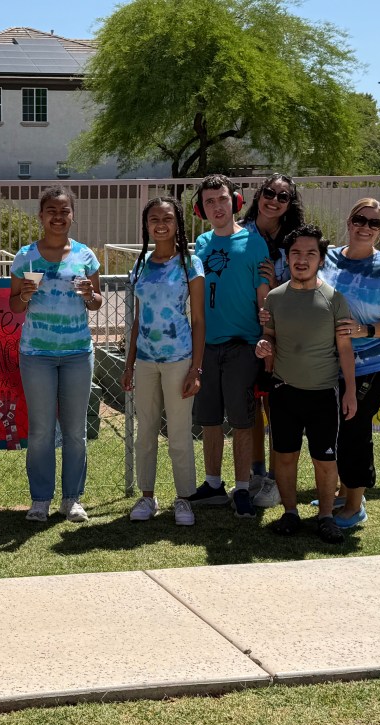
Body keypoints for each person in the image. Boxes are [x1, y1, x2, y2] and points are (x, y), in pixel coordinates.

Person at [255, 225, 356, 543]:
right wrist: (263, 346)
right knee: (285, 456)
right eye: (296, 253)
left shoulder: (335, 300)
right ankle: (290, 513)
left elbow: (344, 349)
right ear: (288, 256)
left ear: (321, 260)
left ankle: (325, 517)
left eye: (310, 253)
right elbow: (268, 338)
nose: (302, 259)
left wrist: (350, 391)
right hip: (284, 392)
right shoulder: (274, 298)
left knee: (325, 459)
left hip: (324, 394)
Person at [319, 198, 380, 529]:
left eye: (374, 223)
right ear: (349, 221)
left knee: (355, 430)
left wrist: (365, 329)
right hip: (332, 363)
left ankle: (355, 507)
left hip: (374, 363)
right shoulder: (328, 257)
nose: (365, 227)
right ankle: (344, 493)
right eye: (361, 219)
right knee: (338, 429)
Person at [10, 186, 102, 523]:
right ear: (41, 215)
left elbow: (95, 303)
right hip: (37, 354)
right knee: (41, 430)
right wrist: (24, 295)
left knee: (76, 431)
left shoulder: (85, 256)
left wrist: (91, 294)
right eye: (51, 210)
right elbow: (14, 306)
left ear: (72, 215)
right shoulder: (25, 258)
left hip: (78, 353)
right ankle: (40, 500)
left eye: (64, 211)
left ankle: (72, 499)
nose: (58, 216)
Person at [187, 175, 270, 519]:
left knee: (241, 421)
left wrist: (268, 340)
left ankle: (241, 488)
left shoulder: (254, 243)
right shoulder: (201, 245)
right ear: (201, 209)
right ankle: (213, 484)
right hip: (206, 346)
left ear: (234, 201)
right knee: (209, 421)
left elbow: (263, 298)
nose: (216, 207)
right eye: (209, 202)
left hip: (243, 346)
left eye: (221, 199)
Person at [121, 197, 205, 525]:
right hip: (145, 361)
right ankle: (146, 497)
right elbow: (138, 321)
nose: (160, 223)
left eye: (167, 218)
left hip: (179, 360)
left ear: (177, 224)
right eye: (154, 218)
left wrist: (196, 368)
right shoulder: (141, 264)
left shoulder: (190, 264)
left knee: (180, 434)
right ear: (146, 225)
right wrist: (129, 365)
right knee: (146, 433)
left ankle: (183, 499)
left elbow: (198, 320)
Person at [239, 173, 305, 509]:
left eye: (283, 196)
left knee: (278, 409)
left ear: (290, 203)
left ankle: (279, 482)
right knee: (251, 408)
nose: (274, 201)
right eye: (269, 193)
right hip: (245, 332)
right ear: (258, 194)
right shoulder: (240, 234)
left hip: (286, 335)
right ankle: (256, 474)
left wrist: (276, 279)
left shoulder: (295, 239)